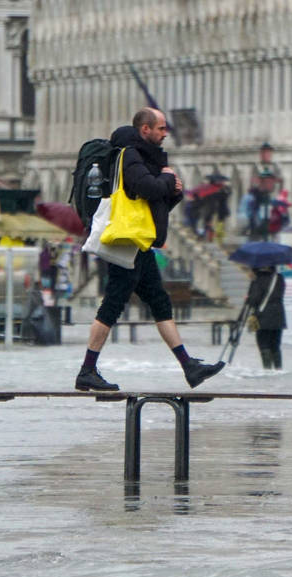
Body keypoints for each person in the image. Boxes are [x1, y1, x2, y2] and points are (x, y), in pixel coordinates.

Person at [75, 108, 225, 391]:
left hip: (138, 241)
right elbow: (146, 187)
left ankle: (189, 366)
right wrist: (168, 180)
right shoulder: (129, 155)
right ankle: (87, 370)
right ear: (145, 129)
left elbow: (153, 203)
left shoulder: (143, 158)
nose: (165, 133)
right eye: (161, 128)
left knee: (159, 301)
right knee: (113, 304)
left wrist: (173, 191)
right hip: (126, 242)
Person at [247, 266, 286, 370]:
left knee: (263, 344)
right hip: (278, 316)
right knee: (275, 345)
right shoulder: (279, 278)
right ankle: (278, 368)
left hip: (263, 317)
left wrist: (248, 298)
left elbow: (254, 300)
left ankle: (267, 369)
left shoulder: (258, 280)